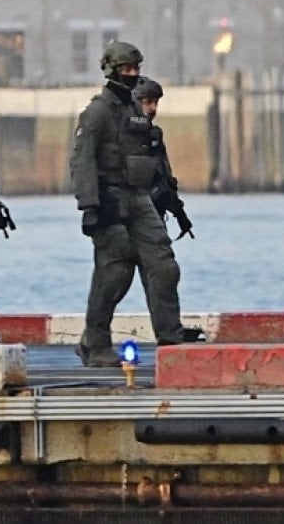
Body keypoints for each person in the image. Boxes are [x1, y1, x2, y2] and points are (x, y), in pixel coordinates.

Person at [71, 41, 185, 367]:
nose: (132, 74)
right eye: (126, 69)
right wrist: (90, 206)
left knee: (164, 266)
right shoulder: (97, 112)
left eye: (136, 68)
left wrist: (168, 196)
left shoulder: (134, 109)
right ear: (111, 70)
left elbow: (150, 157)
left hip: (139, 197)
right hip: (110, 197)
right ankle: (95, 343)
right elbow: (82, 161)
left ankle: (171, 337)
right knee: (113, 273)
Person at [132, 77, 193, 239]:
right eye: (147, 102)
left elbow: (164, 175)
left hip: (155, 214)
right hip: (130, 215)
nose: (153, 108)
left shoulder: (154, 135)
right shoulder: (120, 136)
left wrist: (179, 212)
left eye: (156, 103)